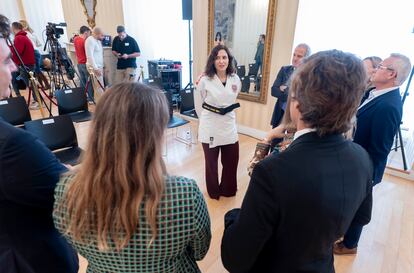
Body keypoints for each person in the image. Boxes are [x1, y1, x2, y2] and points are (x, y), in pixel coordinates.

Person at [221, 50, 373, 273]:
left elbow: (234, 259)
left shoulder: (273, 171)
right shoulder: (361, 157)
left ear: (297, 103)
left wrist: (233, 216)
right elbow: (361, 217)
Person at [53, 82, 211, 273]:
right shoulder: (185, 194)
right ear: (154, 134)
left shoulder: (66, 189)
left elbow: (72, 241)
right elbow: (199, 252)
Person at [0, 14, 78, 273]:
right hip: (30, 260)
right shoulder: (12, 144)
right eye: (7, 60)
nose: (13, 68)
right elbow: (69, 193)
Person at [334, 53, 411, 255]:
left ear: (391, 74)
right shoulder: (375, 93)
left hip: (364, 167)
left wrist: (367, 175)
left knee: (358, 204)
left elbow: (379, 148)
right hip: (354, 159)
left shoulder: (388, 106)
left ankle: (350, 244)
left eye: (381, 66)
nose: (376, 69)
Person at [195, 44, 241, 200]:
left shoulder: (235, 78)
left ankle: (228, 189)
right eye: (217, 58)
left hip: (229, 125)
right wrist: (204, 122)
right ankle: (214, 192)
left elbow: (233, 97)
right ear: (212, 60)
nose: (221, 61)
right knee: (211, 164)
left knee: (231, 161)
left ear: (229, 59)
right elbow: (198, 103)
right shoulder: (204, 80)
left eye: (224, 57)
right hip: (210, 126)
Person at [270, 43, 311, 131]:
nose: (295, 58)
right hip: (280, 113)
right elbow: (273, 90)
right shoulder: (284, 70)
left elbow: (302, 97)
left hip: (297, 117)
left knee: (290, 143)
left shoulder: (309, 76)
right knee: (274, 141)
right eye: (294, 55)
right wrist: (291, 92)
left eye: (299, 56)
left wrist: (284, 88)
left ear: (307, 59)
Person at [9, 21, 39, 108]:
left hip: (25, 64)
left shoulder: (19, 38)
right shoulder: (23, 36)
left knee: (30, 84)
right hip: (28, 63)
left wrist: (10, 48)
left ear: (14, 28)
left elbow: (17, 52)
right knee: (31, 83)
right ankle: (37, 100)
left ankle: (37, 101)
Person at [19, 19, 50, 90]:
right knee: (36, 70)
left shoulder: (24, 34)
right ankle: (42, 85)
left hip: (33, 52)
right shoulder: (32, 33)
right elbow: (38, 44)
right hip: (36, 52)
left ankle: (46, 85)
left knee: (37, 70)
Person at [74, 25, 93, 102]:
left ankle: (81, 96)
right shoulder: (84, 41)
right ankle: (91, 98)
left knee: (82, 81)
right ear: (85, 33)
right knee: (89, 82)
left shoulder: (76, 39)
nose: (89, 34)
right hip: (85, 64)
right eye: (88, 33)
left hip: (79, 64)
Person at [85, 27, 104, 95]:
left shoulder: (97, 40)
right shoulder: (90, 40)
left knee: (100, 86)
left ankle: (100, 102)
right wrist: (96, 68)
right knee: (99, 87)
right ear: (96, 34)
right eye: (101, 35)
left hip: (99, 66)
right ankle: (101, 104)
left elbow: (98, 54)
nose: (103, 37)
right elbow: (90, 56)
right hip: (94, 67)